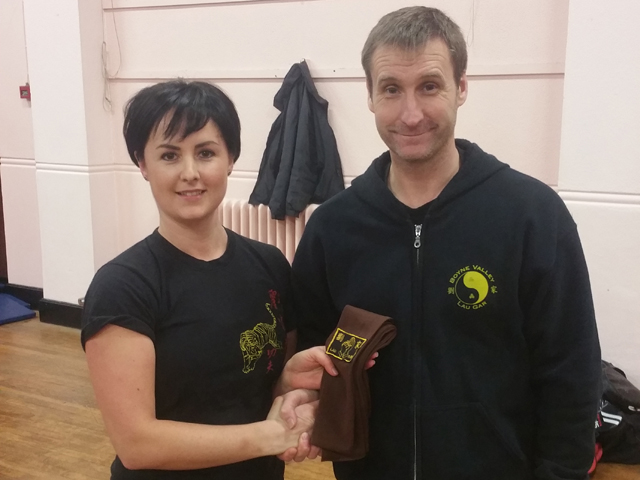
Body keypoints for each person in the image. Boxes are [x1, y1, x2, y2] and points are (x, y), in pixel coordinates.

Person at [292, 6, 601, 480]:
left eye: (429, 86)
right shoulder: (332, 229)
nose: (411, 114)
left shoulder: (533, 217)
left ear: (461, 88)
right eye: (391, 88)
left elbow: (571, 378)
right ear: (370, 96)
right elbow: (312, 360)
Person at [81, 80, 336, 480]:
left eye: (205, 153)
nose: (190, 173)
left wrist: (289, 380)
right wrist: (270, 437)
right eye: (169, 155)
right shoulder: (124, 287)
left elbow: (258, 392)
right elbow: (136, 443)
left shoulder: (269, 266)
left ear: (230, 158)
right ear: (142, 164)